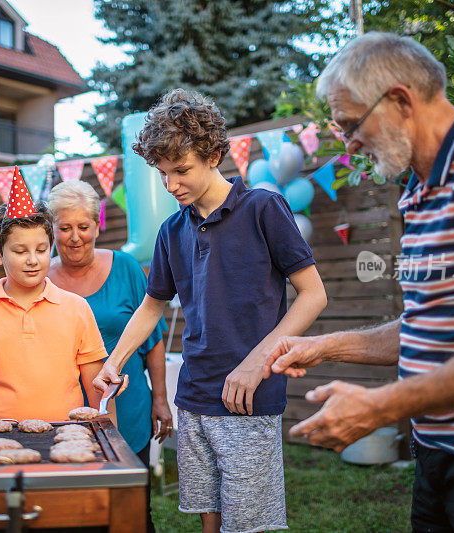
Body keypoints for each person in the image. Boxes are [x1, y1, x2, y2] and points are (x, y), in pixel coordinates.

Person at [264, 32, 454, 532]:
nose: (348, 143)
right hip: (440, 450)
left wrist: (379, 405)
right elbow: (428, 328)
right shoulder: (422, 189)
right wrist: (323, 347)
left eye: (351, 125)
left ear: (400, 100)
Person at [93, 88, 328, 533]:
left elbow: (314, 294)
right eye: (162, 174)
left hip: (248, 397)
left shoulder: (262, 207)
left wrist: (258, 363)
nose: (170, 185)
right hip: (194, 397)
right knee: (210, 520)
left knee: (248, 526)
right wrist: (114, 362)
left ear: (214, 153)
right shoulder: (171, 230)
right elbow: (150, 306)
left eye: (180, 170)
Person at [47, 179, 171, 533]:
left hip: (129, 409)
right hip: (64, 412)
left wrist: (160, 400)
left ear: (97, 225)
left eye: (83, 227)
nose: (74, 237)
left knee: (131, 512)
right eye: (65, 227)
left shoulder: (127, 267)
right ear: (52, 229)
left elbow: (154, 340)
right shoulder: (41, 277)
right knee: (77, 513)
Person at [0, 169, 108, 421]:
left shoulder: (77, 308)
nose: (33, 260)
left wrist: (109, 441)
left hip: (67, 437)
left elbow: (96, 389)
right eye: (20, 251)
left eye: (41, 249)